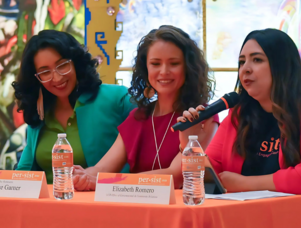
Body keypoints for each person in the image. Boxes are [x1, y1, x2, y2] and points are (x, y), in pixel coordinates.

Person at [179, 28, 301, 228]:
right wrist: (191, 143)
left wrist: (244, 184)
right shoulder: (239, 115)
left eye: (257, 60)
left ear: (282, 66)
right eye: (242, 62)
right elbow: (209, 179)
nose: (245, 69)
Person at [72, 25, 219, 191]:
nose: (164, 71)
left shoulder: (201, 117)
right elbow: (101, 169)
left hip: (181, 211)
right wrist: (82, 176)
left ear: (188, 67)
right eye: (155, 63)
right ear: (145, 68)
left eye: (174, 63)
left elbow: (175, 177)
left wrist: (106, 182)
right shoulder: (138, 117)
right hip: (136, 211)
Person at [13, 30, 135, 183]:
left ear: (76, 62)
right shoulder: (41, 111)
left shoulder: (117, 98)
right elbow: (23, 174)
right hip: (50, 205)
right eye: (45, 72)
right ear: (36, 78)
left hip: (106, 203)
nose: (56, 78)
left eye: (62, 65)